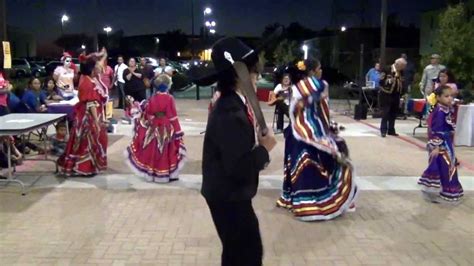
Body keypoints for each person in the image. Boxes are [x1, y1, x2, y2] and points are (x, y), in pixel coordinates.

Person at [201, 37, 277, 266]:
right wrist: (264, 150)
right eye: (254, 74)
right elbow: (239, 168)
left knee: (238, 253)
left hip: (228, 194)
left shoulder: (234, 103)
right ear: (239, 75)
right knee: (247, 254)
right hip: (228, 196)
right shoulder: (230, 111)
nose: (257, 79)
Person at [276, 59, 357, 221]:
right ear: (312, 71)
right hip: (308, 134)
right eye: (319, 68)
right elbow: (320, 113)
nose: (321, 71)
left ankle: (296, 199)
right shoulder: (315, 86)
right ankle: (312, 203)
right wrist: (325, 128)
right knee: (314, 166)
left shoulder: (297, 87)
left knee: (299, 167)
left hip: (296, 133)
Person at [125, 74, 186, 182]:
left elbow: (148, 112)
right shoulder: (169, 98)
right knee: (167, 150)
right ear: (166, 86)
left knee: (155, 150)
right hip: (166, 125)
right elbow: (173, 116)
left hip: (154, 126)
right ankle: (167, 173)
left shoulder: (152, 98)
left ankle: (154, 172)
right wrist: (178, 130)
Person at [58, 55, 108, 177]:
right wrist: (96, 120)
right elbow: (91, 103)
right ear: (91, 69)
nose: (99, 68)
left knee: (93, 140)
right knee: (88, 141)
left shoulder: (91, 80)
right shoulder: (86, 82)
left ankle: (90, 166)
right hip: (88, 116)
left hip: (92, 114)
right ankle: (84, 167)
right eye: (97, 66)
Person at [418, 85, 463, 203]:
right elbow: (435, 129)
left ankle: (445, 190)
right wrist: (436, 146)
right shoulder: (439, 111)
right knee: (444, 166)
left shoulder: (445, 109)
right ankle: (440, 191)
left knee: (449, 166)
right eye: (446, 96)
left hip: (446, 141)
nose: (450, 99)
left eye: (451, 96)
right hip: (440, 144)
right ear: (438, 97)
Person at [379, 58, 406, 137]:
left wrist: (402, 94)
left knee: (393, 113)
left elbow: (402, 83)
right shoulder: (387, 69)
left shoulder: (401, 72)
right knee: (386, 113)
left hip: (396, 94)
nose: (403, 68)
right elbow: (381, 81)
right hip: (386, 94)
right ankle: (383, 130)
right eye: (402, 66)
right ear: (398, 64)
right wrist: (390, 80)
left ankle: (391, 130)